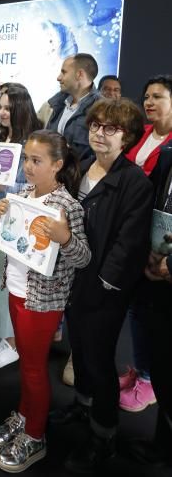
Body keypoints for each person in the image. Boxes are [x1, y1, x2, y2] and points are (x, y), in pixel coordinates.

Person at [50, 99, 153, 474]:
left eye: (111, 129)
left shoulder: (134, 181)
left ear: (126, 137)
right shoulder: (80, 169)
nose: (100, 133)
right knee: (79, 349)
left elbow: (129, 243)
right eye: (96, 126)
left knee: (98, 359)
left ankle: (104, 436)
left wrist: (105, 283)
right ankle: (83, 404)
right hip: (73, 279)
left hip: (104, 289)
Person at [0, 130, 90, 473]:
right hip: (17, 290)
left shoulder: (67, 207)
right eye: (26, 159)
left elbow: (84, 259)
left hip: (43, 302)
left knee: (33, 368)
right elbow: (11, 239)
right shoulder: (22, 194)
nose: (28, 167)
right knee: (27, 364)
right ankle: (24, 414)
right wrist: (2, 213)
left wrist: (64, 238)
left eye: (37, 161)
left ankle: (35, 435)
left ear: (58, 165)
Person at [118, 74, 172, 412]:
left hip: (160, 248)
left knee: (154, 315)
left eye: (158, 97)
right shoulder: (143, 135)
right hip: (135, 236)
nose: (149, 102)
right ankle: (141, 370)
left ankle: (151, 380)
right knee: (136, 309)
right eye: (146, 96)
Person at [0, 84, 41, 370]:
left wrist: (3, 185)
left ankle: (12, 341)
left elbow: (36, 185)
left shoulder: (33, 142)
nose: (2, 112)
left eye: (8, 107)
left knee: (9, 282)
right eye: (0, 106)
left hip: (16, 222)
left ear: (20, 108)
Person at [129, 141, 172, 468]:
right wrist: (149, 253)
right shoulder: (168, 156)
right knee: (162, 367)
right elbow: (152, 210)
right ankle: (163, 445)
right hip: (157, 281)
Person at [46, 53, 100, 159]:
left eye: (64, 72)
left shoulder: (101, 108)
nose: (58, 77)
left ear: (79, 74)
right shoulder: (57, 103)